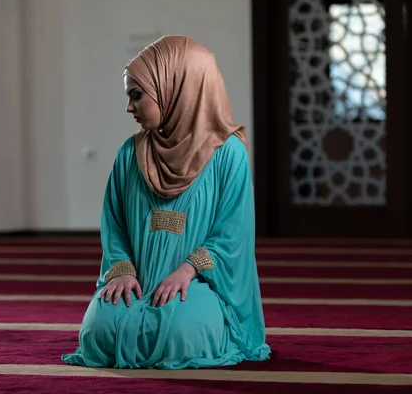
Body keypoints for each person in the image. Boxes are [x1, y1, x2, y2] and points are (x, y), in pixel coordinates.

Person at [62, 35, 271, 370]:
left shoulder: (228, 154)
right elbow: (113, 225)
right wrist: (122, 271)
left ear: (174, 88)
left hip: (198, 282)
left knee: (181, 333)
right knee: (99, 332)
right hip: (137, 277)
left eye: (136, 96)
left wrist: (187, 271)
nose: (129, 108)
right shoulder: (131, 154)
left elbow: (233, 234)